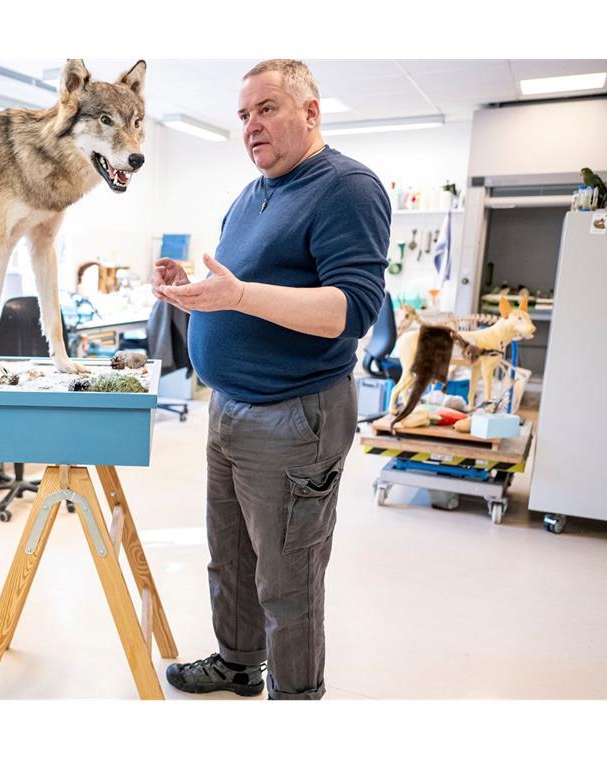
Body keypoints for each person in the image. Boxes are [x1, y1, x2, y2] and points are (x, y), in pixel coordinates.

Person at [154, 59, 390, 700]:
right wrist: (199, 291)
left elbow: (352, 311)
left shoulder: (346, 187)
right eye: (243, 115)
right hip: (229, 407)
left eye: (266, 109)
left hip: (294, 416)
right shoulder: (254, 193)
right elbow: (243, 288)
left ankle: (295, 698)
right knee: (229, 558)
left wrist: (235, 299)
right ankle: (238, 664)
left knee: (288, 578)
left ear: (310, 113)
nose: (251, 126)